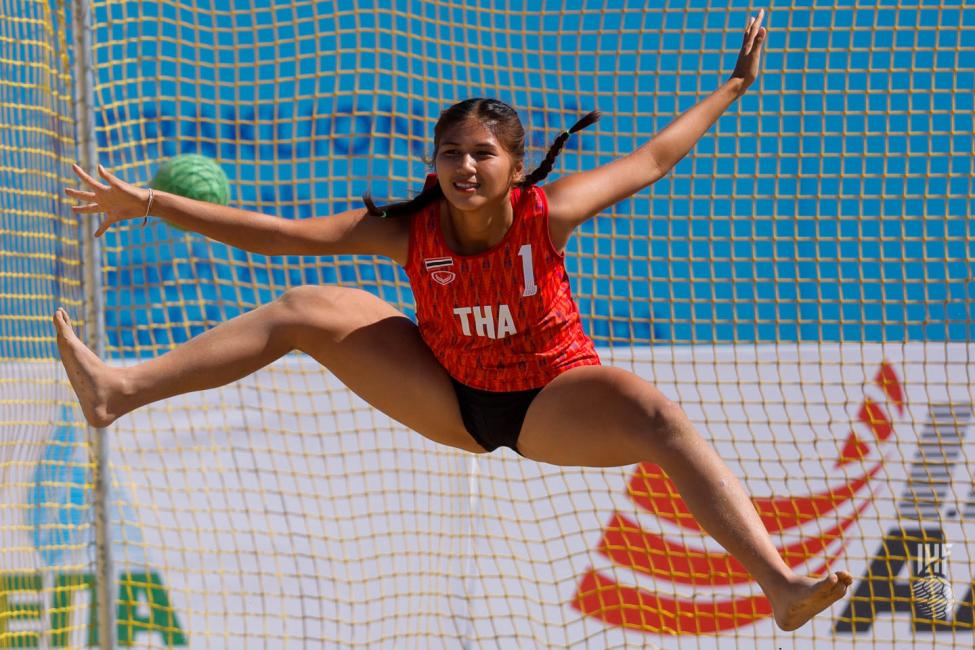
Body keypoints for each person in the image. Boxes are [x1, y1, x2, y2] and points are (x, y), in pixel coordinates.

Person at [55, 8, 851, 631]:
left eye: (480, 154)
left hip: (549, 398)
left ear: (513, 164)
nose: (463, 167)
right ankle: (121, 390)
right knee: (306, 308)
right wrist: (152, 203)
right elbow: (277, 236)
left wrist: (731, 89)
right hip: (446, 393)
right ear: (433, 163)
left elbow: (651, 158)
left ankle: (780, 588)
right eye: (449, 154)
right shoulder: (409, 230)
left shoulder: (549, 213)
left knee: (653, 414)